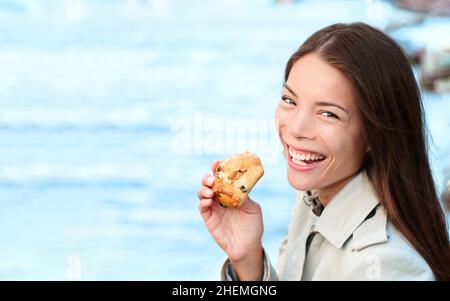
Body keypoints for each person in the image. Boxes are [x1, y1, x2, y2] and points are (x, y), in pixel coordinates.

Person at [197, 22, 450, 281]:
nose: (296, 128)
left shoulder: (383, 264)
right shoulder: (313, 200)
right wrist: (248, 261)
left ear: (374, 133)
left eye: (328, 114)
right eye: (289, 100)